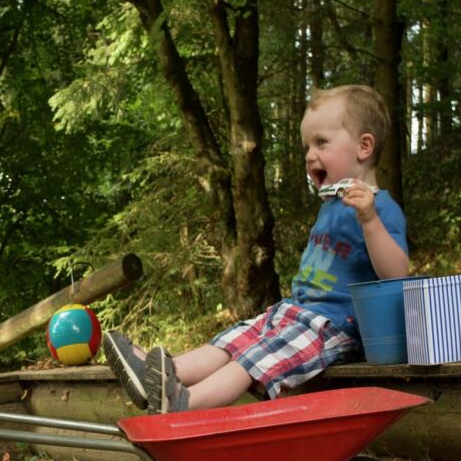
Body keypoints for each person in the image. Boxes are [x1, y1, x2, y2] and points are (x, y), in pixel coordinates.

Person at [105, 84, 409, 413]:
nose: (309, 155)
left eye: (321, 142)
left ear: (364, 147)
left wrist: (370, 221)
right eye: (307, 145)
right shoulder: (333, 204)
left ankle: (185, 402)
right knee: (235, 339)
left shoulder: (380, 208)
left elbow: (396, 272)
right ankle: (165, 374)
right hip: (295, 312)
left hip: (334, 327)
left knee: (252, 359)